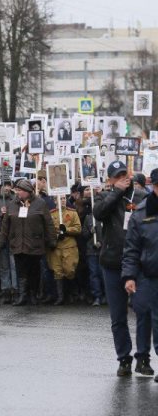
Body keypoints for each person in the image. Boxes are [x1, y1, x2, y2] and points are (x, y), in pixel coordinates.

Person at [92, 161, 152, 376]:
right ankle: (123, 359)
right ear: (110, 180)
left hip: (138, 265)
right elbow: (98, 213)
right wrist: (115, 192)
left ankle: (143, 357)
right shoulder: (103, 198)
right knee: (118, 316)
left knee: (143, 311)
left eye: (124, 175)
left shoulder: (140, 197)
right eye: (117, 176)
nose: (122, 179)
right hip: (112, 263)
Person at [122, 167, 158, 382]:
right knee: (143, 314)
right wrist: (129, 276)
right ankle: (142, 357)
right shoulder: (141, 213)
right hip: (147, 274)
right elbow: (131, 249)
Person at [0, 178, 56, 306]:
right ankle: (23, 295)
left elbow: (49, 224)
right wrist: (1, 241)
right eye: (17, 190)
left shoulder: (40, 203)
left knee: (34, 270)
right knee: (21, 271)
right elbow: (5, 225)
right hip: (17, 243)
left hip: (35, 244)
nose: (17, 192)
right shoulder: (12, 204)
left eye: (20, 190)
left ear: (28, 191)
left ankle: (33, 294)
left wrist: (52, 240)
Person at [47, 196, 82, 305]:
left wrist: (66, 230)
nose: (62, 200)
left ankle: (72, 294)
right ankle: (60, 297)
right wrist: (55, 234)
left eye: (63, 198)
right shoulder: (51, 214)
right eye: (59, 199)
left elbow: (78, 228)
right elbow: (47, 228)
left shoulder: (72, 213)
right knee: (57, 271)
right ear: (54, 201)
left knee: (69, 270)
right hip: (56, 246)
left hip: (69, 246)